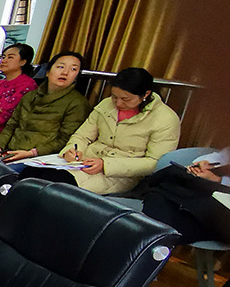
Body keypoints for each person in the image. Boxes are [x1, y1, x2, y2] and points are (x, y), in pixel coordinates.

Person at [43, 66, 182, 194]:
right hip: (84, 162)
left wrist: (106, 165)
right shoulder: (106, 104)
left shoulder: (165, 119)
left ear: (146, 94)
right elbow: (82, 136)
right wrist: (73, 150)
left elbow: (155, 162)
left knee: (61, 189)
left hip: (122, 173)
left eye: (126, 99)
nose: (118, 103)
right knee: (37, 176)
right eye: (114, 97)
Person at [0, 51, 90, 161]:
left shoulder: (78, 103)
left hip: (40, 157)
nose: (65, 72)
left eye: (73, 69)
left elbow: (65, 139)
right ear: (47, 72)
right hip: (10, 151)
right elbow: (11, 125)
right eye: (60, 67)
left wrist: (32, 153)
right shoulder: (30, 96)